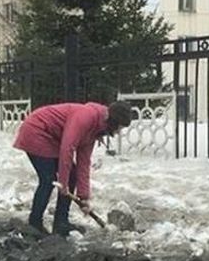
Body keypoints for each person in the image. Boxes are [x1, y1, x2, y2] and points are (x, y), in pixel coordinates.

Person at [14, 100, 132, 237]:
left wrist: (84, 197)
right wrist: (63, 184)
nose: (118, 132)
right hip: (36, 130)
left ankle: (61, 223)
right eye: (119, 128)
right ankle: (34, 224)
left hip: (51, 138)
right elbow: (67, 148)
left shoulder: (96, 129)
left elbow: (84, 162)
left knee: (72, 175)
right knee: (48, 179)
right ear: (113, 121)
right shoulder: (86, 117)